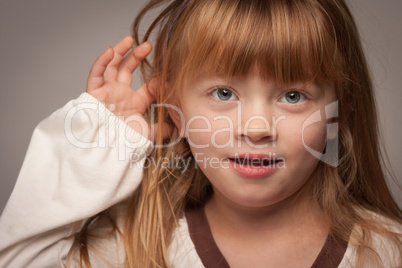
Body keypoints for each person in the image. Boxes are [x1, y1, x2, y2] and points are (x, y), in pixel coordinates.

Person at [0, 0, 401, 267]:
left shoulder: (388, 253)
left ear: (340, 109)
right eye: (224, 93)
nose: (255, 129)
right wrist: (92, 145)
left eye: (293, 96)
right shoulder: (128, 248)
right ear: (174, 102)